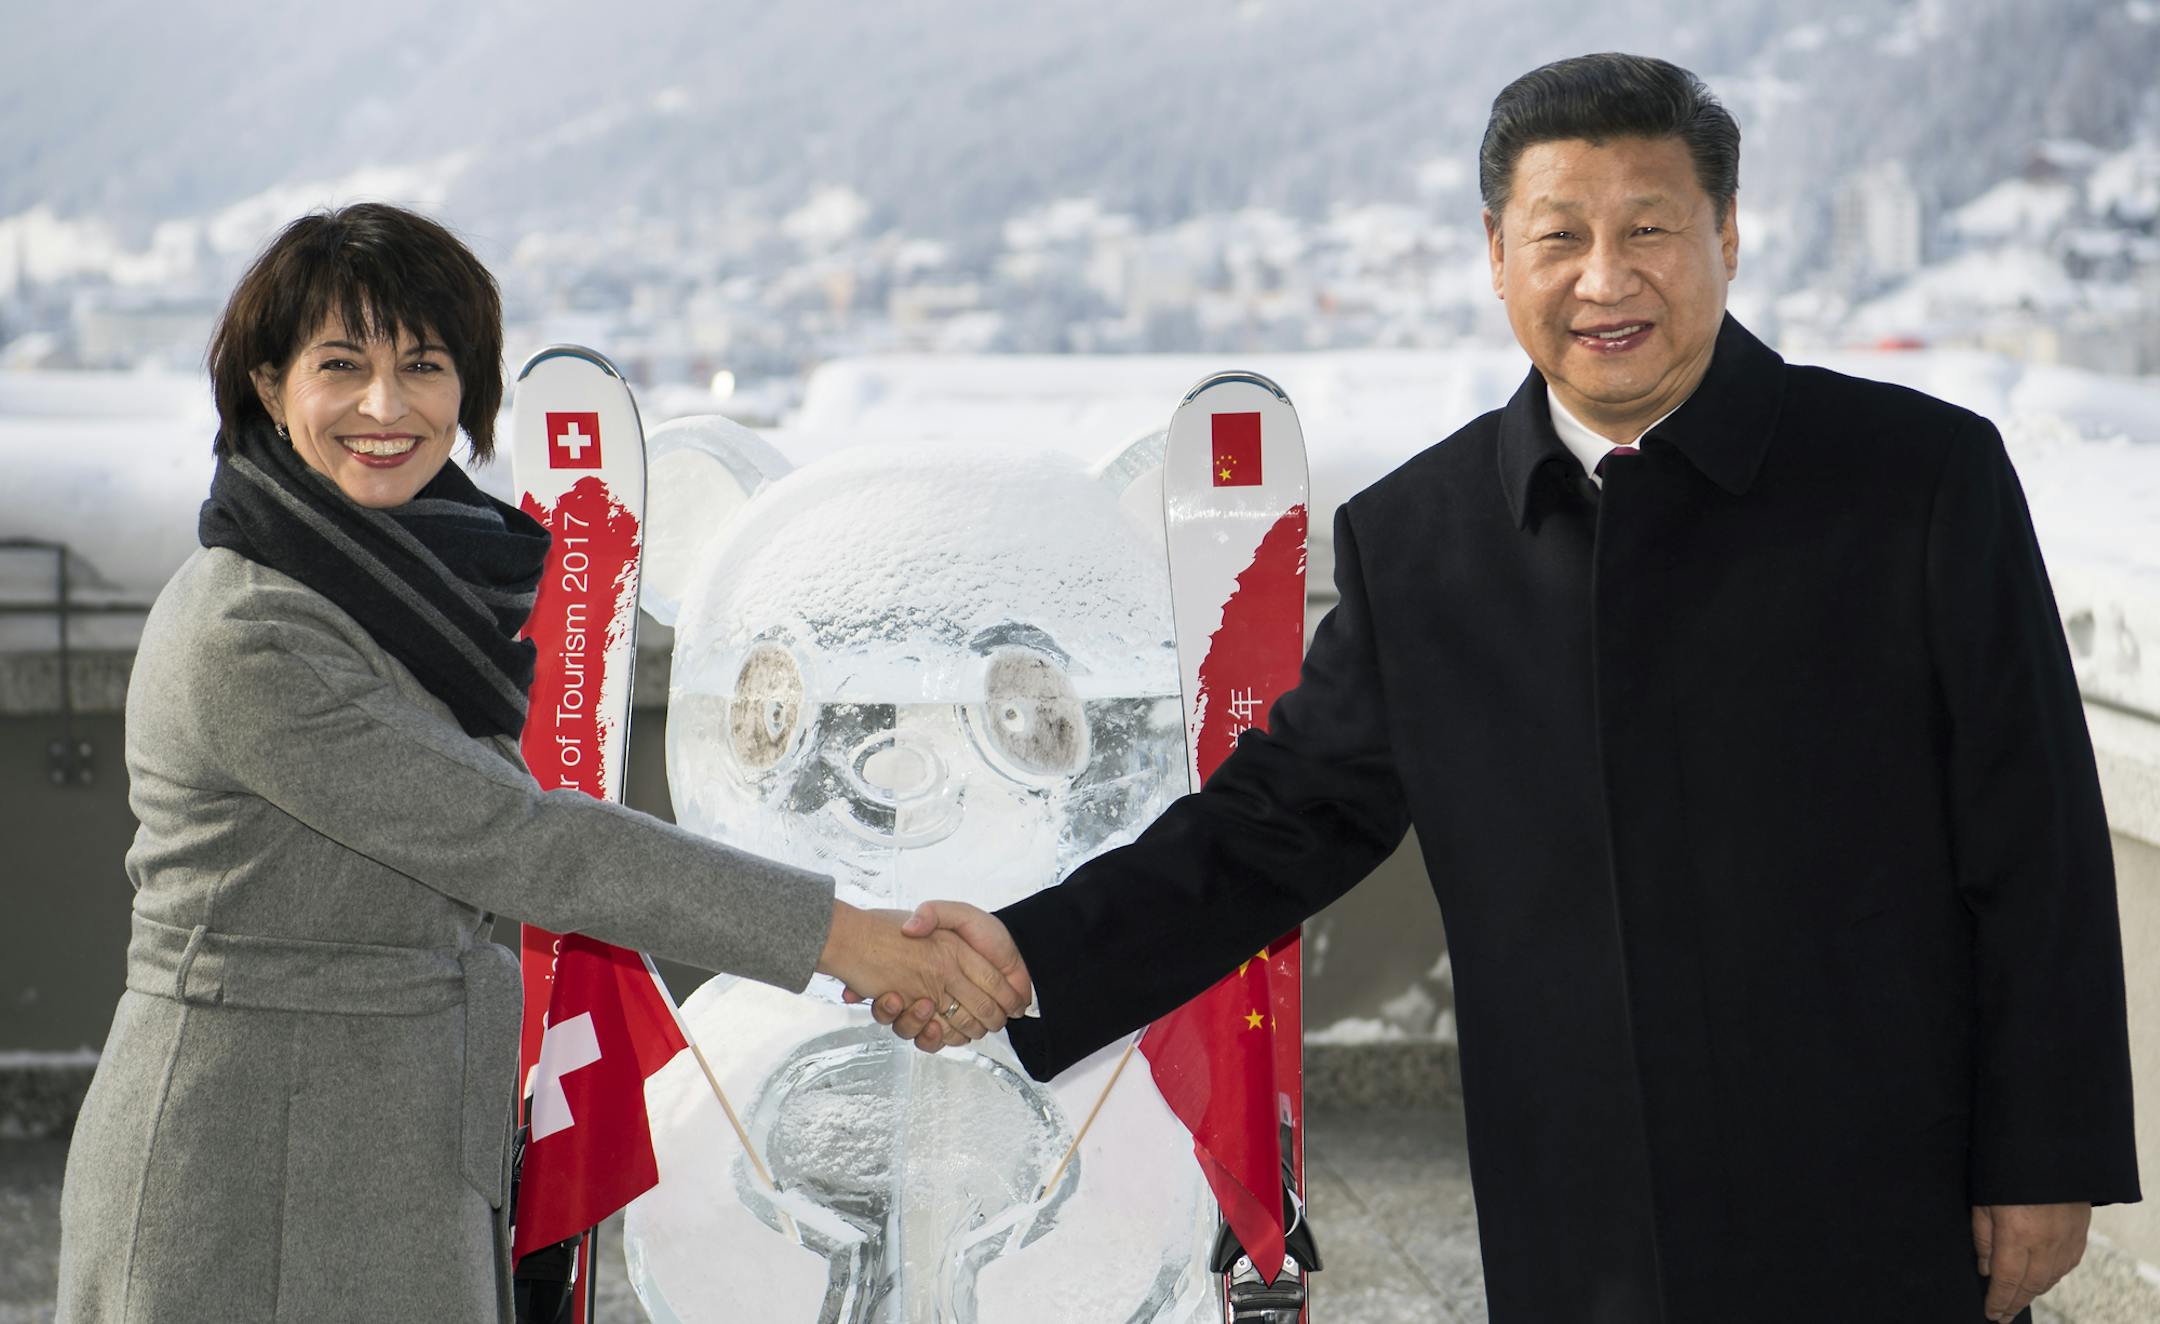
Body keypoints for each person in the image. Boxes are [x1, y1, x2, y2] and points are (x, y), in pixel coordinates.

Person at [877, 53, 2140, 1324]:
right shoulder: (1423, 538)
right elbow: (1276, 822)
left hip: (1883, 1191)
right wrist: (1030, 952)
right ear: (1496, 253)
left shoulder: (1918, 480)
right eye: (1560, 236)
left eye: (1650, 227)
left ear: (1730, 235)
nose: (1606, 278)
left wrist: (2042, 1158)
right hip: (1581, 1211)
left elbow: (2034, 843)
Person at [54, 203, 1027, 1323]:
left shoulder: (400, 582)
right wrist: (856, 941)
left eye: (423, 365)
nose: (386, 406)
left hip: (391, 1129)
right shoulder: (253, 628)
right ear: (269, 388)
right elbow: (519, 841)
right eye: (341, 366)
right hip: (250, 1160)